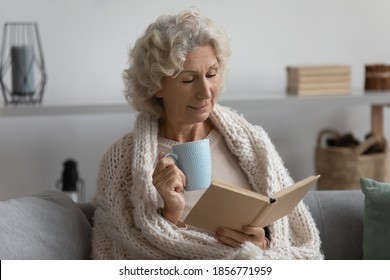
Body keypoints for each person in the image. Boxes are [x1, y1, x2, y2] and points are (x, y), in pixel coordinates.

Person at [91, 9, 323, 260]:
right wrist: (171, 214)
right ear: (156, 86)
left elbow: (293, 239)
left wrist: (262, 245)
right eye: (189, 80)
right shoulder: (121, 162)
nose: (205, 92)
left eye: (211, 74)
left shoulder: (252, 143)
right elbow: (118, 257)